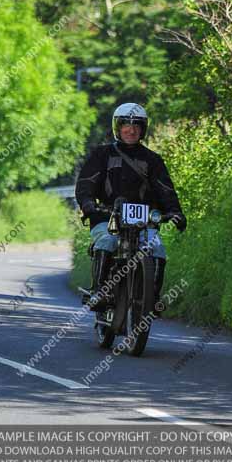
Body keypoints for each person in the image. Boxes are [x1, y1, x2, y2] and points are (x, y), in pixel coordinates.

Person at [75, 102, 187, 312]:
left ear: (143, 129)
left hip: (144, 221)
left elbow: (165, 190)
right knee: (108, 241)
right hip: (107, 217)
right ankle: (100, 291)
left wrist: (175, 212)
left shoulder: (153, 160)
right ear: (117, 127)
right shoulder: (101, 154)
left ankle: (152, 298)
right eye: (126, 124)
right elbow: (86, 183)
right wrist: (88, 203)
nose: (131, 129)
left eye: (137, 124)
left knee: (157, 248)